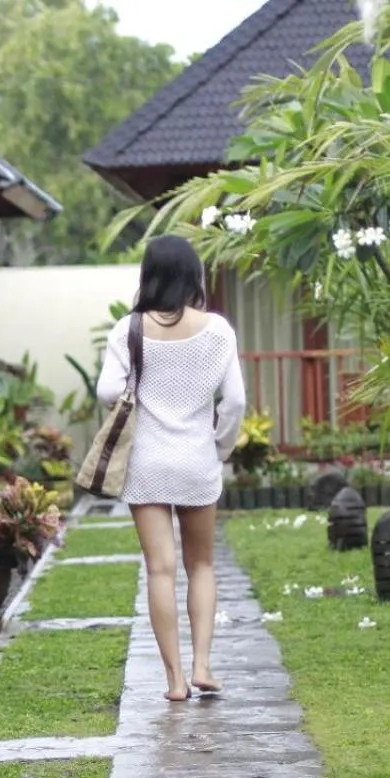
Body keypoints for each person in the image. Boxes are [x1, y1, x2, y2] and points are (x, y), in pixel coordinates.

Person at [97, 235, 246, 702]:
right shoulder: (218, 330)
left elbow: (106, 391)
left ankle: (176, 681)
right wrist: (219, 447)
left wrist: (135, 410)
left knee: (160, 571)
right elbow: (236, 401)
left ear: (149, 274)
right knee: (201, 565)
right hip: (197, 461)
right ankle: (203, 665)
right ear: (194, 276)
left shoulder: (129, 329)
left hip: (146, 464)